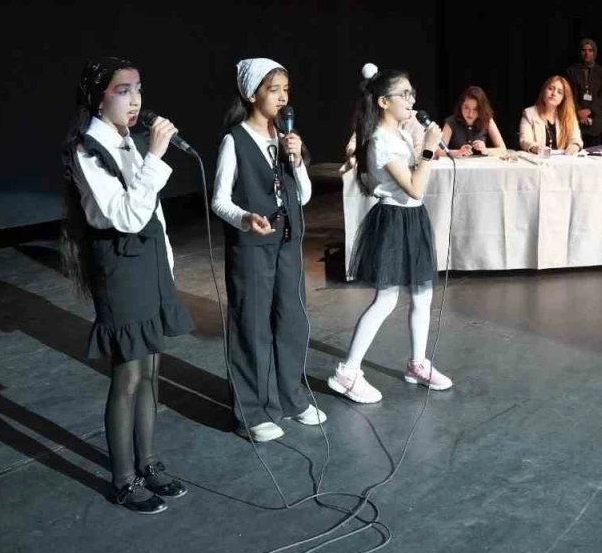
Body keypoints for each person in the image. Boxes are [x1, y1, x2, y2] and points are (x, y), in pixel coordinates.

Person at [60, 57, 192, 514]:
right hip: (120, 271)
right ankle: (123, 478)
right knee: (129, 374)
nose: (135, 100)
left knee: (151, 369)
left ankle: (148, 462)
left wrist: (167, 265)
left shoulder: (129, 141)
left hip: (150, 267)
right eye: (123, 90)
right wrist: (155, 156)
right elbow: (126, 215)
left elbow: (153, 213)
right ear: (98, 98)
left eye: (138, 88)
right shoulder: (87, 149)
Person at [212, 58, 326, 443]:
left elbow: (303, 195)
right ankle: (253, 411)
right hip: (252, 245)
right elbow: (219, 200)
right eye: (273, 89)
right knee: (253, 323)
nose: (282, 98)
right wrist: (245, 218)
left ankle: (291, 398)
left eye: (285, 90)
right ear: (252, 94)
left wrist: (297, 157)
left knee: (292, 319)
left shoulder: (285, 137)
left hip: (287, 242)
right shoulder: (235, 140)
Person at [328, 63, 452, 404]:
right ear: (383, 102)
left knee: (423, 294)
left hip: (412, 218)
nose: (411, 101)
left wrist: (424, 151)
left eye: (413, 94)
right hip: (395, 220)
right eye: (404, 95)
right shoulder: (382, 141)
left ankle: (417, 363)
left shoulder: (398, 134)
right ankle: (347, 371)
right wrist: (429, 148)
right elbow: (415, 187)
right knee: (386, 299)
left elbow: (413, 180)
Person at [518, 76, 583, 155]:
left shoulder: (569, 115)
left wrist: (575, 145)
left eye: (559, 92)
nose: (554, 93)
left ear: (563, 98)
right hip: (538, 158)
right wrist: (536, 148)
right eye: (550, 89)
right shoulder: (529, 113)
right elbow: (525, 140)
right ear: (544, 91)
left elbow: (576, 139)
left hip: (562, 159)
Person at [565, 38, 602, 148]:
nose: (587, 53)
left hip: (595, 117)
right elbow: (569, 94)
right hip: (576, 116)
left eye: (590, 50)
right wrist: (579, 111)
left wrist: (590, 110)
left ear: (595, 52)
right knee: (575, 149)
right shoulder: (571, 71)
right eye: (583, 50)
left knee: (595, 152)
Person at [441, 85, 507, 157]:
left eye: (475, 109)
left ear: (481, 109)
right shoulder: (451, 122)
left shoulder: (487, 120)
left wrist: (486, 150)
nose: (470, 114)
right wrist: (457, 152)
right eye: (466, 108)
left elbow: (503, 149)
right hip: (457, 163)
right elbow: (438, 151)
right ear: (461, 105)